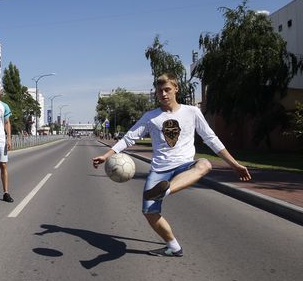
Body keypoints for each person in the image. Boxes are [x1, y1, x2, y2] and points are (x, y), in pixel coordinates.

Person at [92, 73, 251, 257]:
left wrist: (234, 164)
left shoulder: (192, 112)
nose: (164, 94)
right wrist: (107, 155)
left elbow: (211, 139)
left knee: (205, 164)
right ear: (157, 93)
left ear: (176, 89)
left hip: (184, 165)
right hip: (159, 170)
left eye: (167, 89)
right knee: (149, 213)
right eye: (160, 91)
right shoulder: (151, 117)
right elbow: (129, 138)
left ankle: (164, 191)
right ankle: (174, 247)